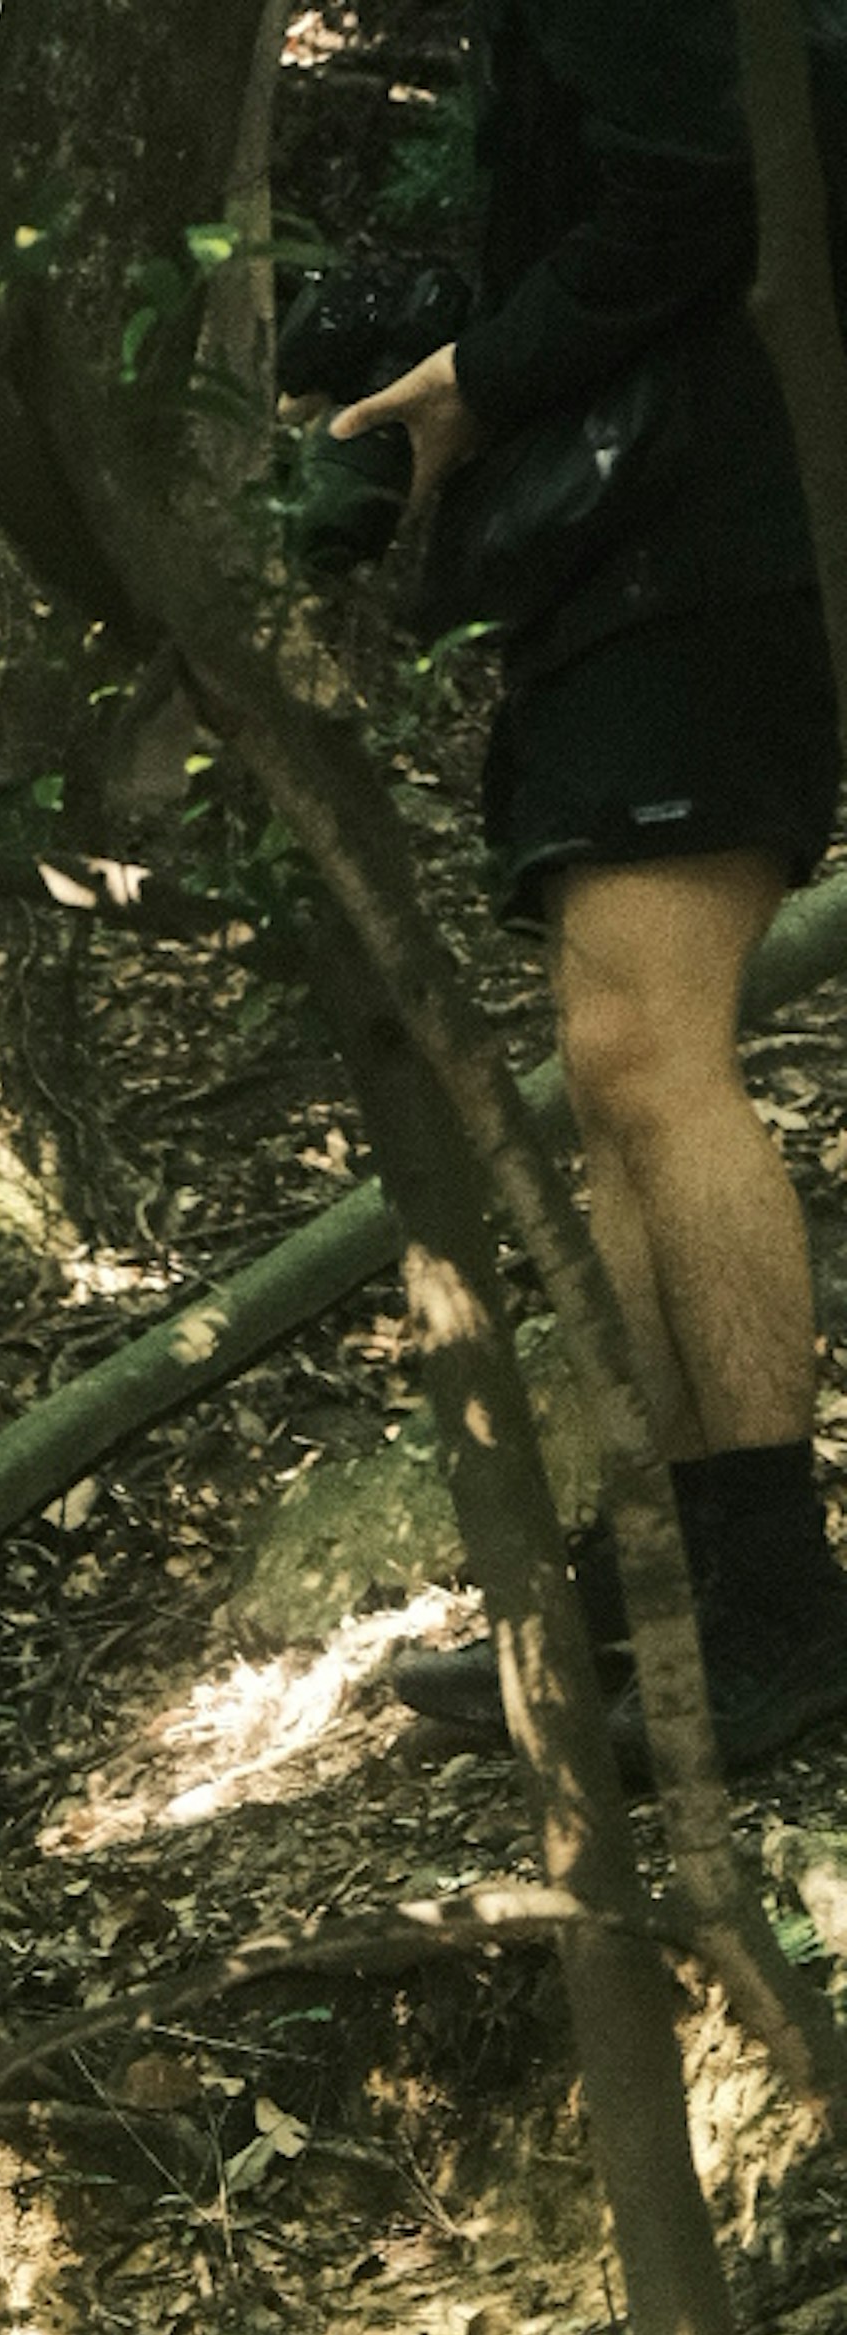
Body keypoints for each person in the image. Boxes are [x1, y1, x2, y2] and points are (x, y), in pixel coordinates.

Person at [339, 0, 847, 1769]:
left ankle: (772, 1595)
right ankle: (681, 1572)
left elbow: (708, 183)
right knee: (621, 1056)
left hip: (712, 537)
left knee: (650, 1055)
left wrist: (478, 381)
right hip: (641, 547)